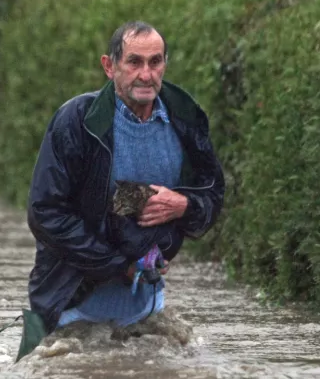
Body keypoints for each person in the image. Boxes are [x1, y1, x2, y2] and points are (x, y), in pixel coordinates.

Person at [19, 21, 224, 355]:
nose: (146, 74)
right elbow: (45, 214)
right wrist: (120, 266)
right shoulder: (74, 121)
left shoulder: (186, 117)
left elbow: (213, 195)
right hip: (69, 310)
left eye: (155, 62)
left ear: (165, 65)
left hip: (149, 315)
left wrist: (184, 205)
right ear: (109, 66)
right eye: (134, 62)